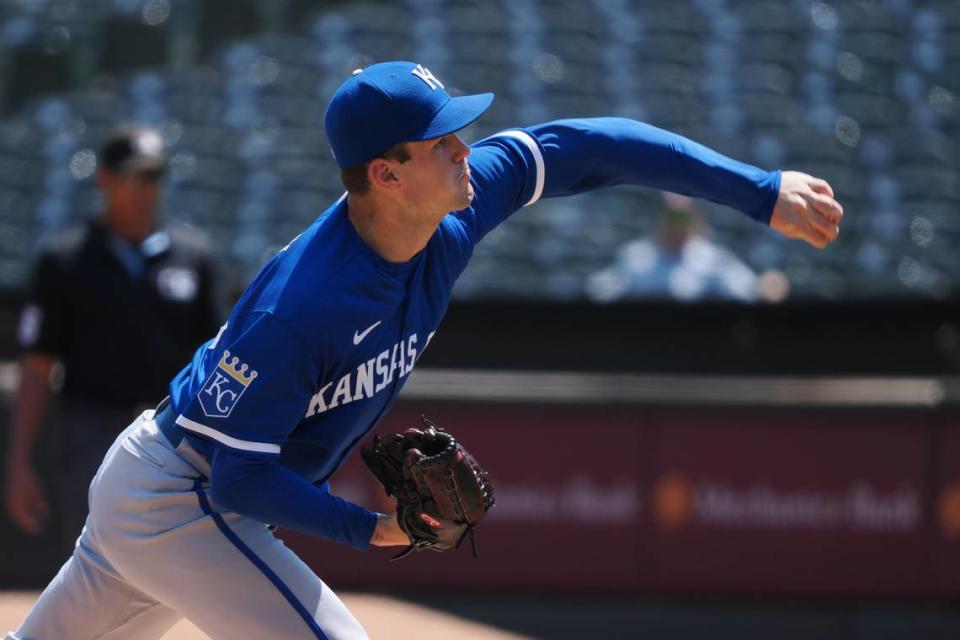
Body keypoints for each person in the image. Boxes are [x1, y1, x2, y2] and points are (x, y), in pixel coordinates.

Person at [7, 61, 843, 639]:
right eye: (441, 140)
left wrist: (758, 190)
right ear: (386, 174)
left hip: (160, 487)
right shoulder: (303, 305)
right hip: (181, 495)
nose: (463, 148)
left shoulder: (459, 208)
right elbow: (239, 477)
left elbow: (595, 146)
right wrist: (372, 530)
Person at [4, 124, 224, 556]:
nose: (143, 189)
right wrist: (18, 464)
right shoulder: (64, 259)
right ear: (104, 177)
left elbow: (217, 361)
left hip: (170, 432)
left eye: (153, 177)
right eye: (131, 176)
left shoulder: (195, 257)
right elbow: (37, 365)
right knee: (90, 558)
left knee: (170, 565)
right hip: (90, 432)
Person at [586, 192, 761, 302]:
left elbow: (747, 290)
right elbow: (600, 291)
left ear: (694, 218)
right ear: (659, 218)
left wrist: (765, 287)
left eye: (681, 218)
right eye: (671, 217)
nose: (676, 225)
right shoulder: (636, 257)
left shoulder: (711, 258)